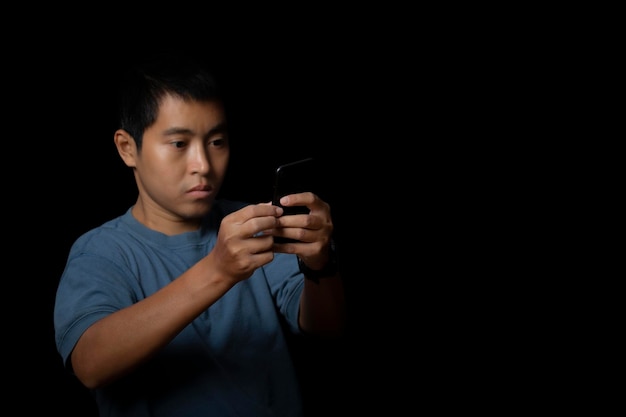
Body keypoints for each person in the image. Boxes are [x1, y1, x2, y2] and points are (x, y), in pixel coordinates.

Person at [53, 50, 347, 417]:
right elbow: (91, 364)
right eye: (179, 144)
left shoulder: (251, 224)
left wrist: (320, 265)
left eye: (217, 142)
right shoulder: (101, 252)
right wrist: (219, 270)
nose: (203, 165)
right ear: (128, 148)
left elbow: (328, 329)